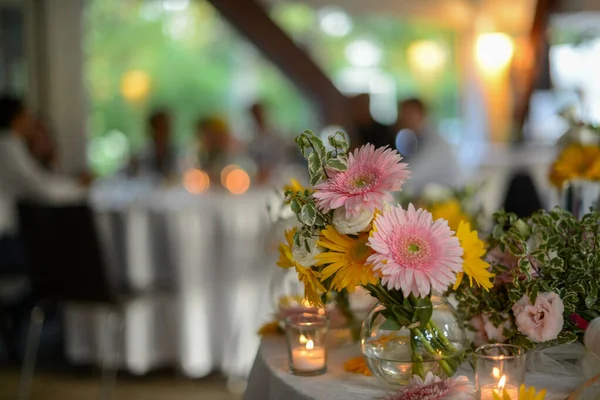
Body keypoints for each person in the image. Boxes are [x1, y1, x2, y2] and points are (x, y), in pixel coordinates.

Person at [0, 95, 87, 273]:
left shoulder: (12, 145)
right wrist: (79, 188)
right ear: (16, 118)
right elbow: (41, 188)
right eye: (27, 116)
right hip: (6, 236)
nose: (30, 121)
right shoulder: (8, 145)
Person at [393, 98, 463, 194]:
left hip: (450, 198)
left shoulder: (434, 141)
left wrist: (387, 182)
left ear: (421, 114)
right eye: (402, 115)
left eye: (408, 114)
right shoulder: (415, 139)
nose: (403, 119)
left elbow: (414, 174)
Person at [248, 102, 291, 185]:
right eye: (254, 114)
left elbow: (282, 157)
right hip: (258, 179)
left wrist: (269, 170)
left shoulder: (275, 136)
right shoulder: (252, 138)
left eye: (258, 113)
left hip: (276, 177)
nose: (257, 116)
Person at [129, 109, 178, 178]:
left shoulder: (179, 154)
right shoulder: (141, 156)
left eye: (164, 127)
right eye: (158, 127)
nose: (162, 131)